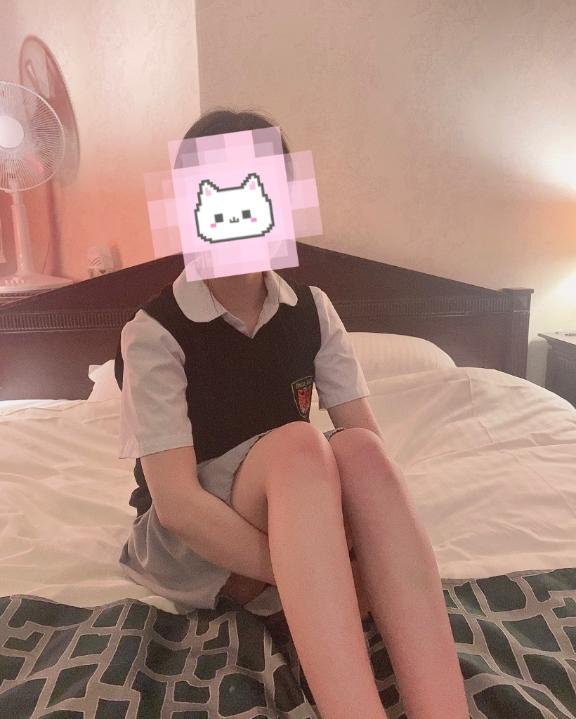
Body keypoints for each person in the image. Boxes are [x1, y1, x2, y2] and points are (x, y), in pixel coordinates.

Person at [115, 109, 469, 719]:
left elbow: (364, 444)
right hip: (199, 535)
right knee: (301, 444)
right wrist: (323, 575)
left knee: (359, 449)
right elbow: (176, 504)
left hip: (296, 504)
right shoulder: (154, 330)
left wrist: (356, 551)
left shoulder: (312, 308)